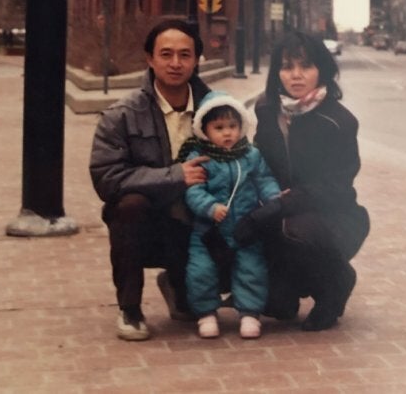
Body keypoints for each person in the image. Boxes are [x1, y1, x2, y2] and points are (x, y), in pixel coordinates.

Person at [234, 31, 370, 332]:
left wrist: (276, 207)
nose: (296, 75)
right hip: (279, 208)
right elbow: (261, 161)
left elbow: (335, 187)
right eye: (287, 66)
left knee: (295, 228)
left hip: (333, 218)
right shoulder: (268, 109)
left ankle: (335, 284)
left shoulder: (338, 121)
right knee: (278, 306)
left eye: (305, 66)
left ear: (322, 69)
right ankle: (285, 287)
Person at [89, 19, 211, 341]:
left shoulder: (217, 110)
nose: (175, 63)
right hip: (150, 218)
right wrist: (174, 176)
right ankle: (130, 308)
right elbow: (107, 177)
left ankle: (181, 286)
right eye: (166, 54)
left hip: (199, 216)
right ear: (149, 58)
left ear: (197, 59)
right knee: (129, 205)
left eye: (185, 55)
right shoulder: (122, 114)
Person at [179, 91, 282, 340]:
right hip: (208, 230)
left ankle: (249, 313)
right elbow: (193, 190)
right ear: (204, 130)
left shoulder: (251, 155)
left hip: (245, 227)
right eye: (219, 127)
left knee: (251, 269)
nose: (228, 133)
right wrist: (209, 207)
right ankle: (206, 313)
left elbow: (264, 179)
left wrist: (274, 198)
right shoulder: (200, 158)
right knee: (201, 270)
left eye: (233, 126)